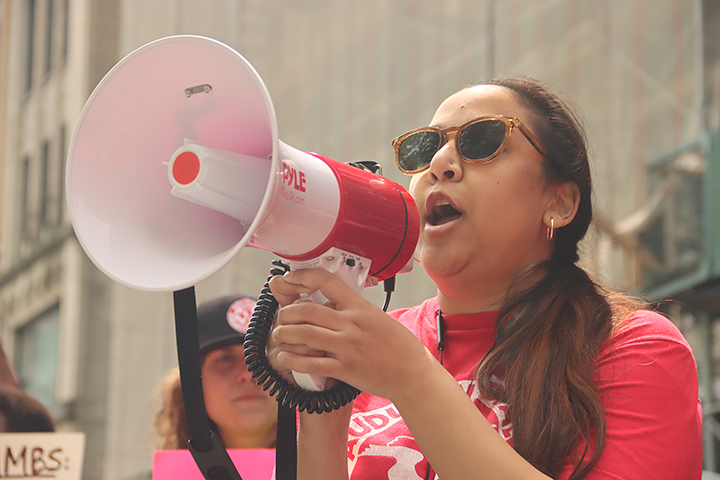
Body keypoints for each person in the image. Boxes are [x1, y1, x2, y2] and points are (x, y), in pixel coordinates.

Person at [266, 76, 703, 479]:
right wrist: (321, 396)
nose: (439, 163)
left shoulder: (633, 348)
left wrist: (412, 380)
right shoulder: (369, 348)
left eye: (482, 141)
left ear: (560, 203)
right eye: (424, 148)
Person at [155, 294, 277, 450]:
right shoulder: (160, 469)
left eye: (263, 357)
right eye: (225, 359)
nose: (248, 375)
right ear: (191, 384)